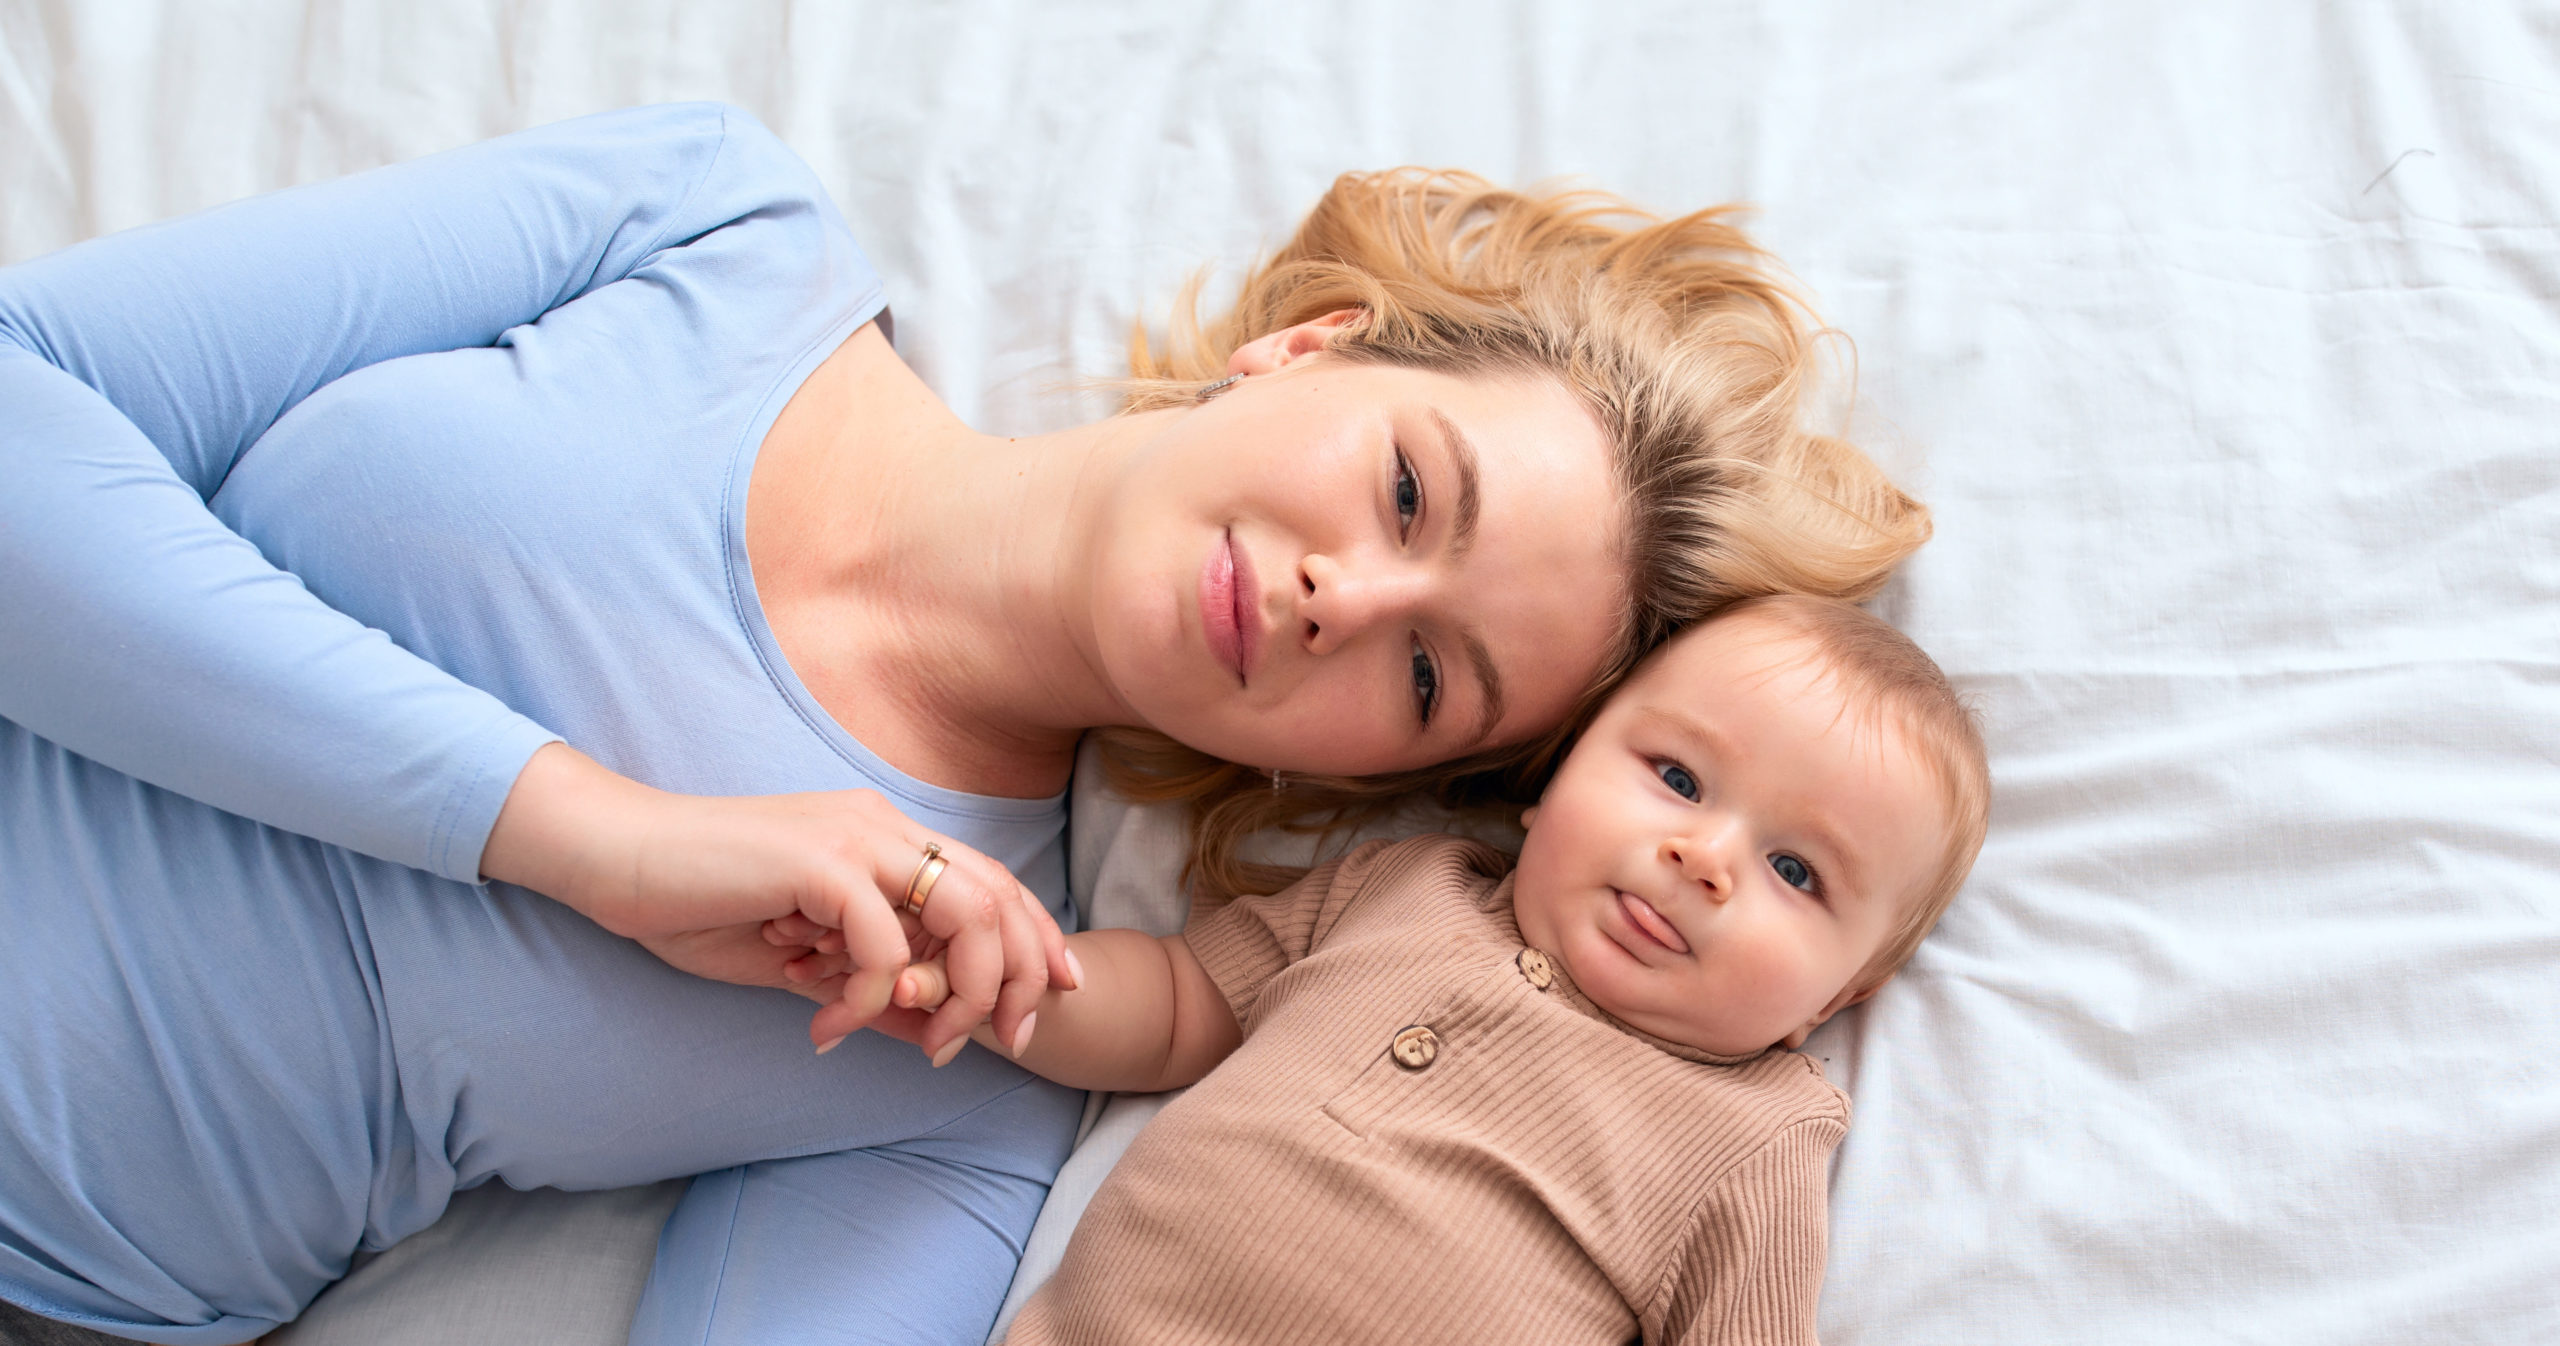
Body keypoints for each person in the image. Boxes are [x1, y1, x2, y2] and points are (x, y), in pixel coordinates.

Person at [0, 102, 1926, 1345]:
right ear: (1308, 348)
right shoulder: (717, 231)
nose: (1356, 593)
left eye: (1428, 681)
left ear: (1381, 782)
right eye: (1410, 492)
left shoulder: (971, 1017)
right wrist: (589, 834)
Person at [880, 594, 1991, 1344]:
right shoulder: (1401, 886)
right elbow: (1177, 1006)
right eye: (1677, 776)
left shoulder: (1747, 1137)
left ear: (1838, 995)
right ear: (1558, 771)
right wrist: (1015, 969)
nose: (1702, 858)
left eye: (1794, 869)